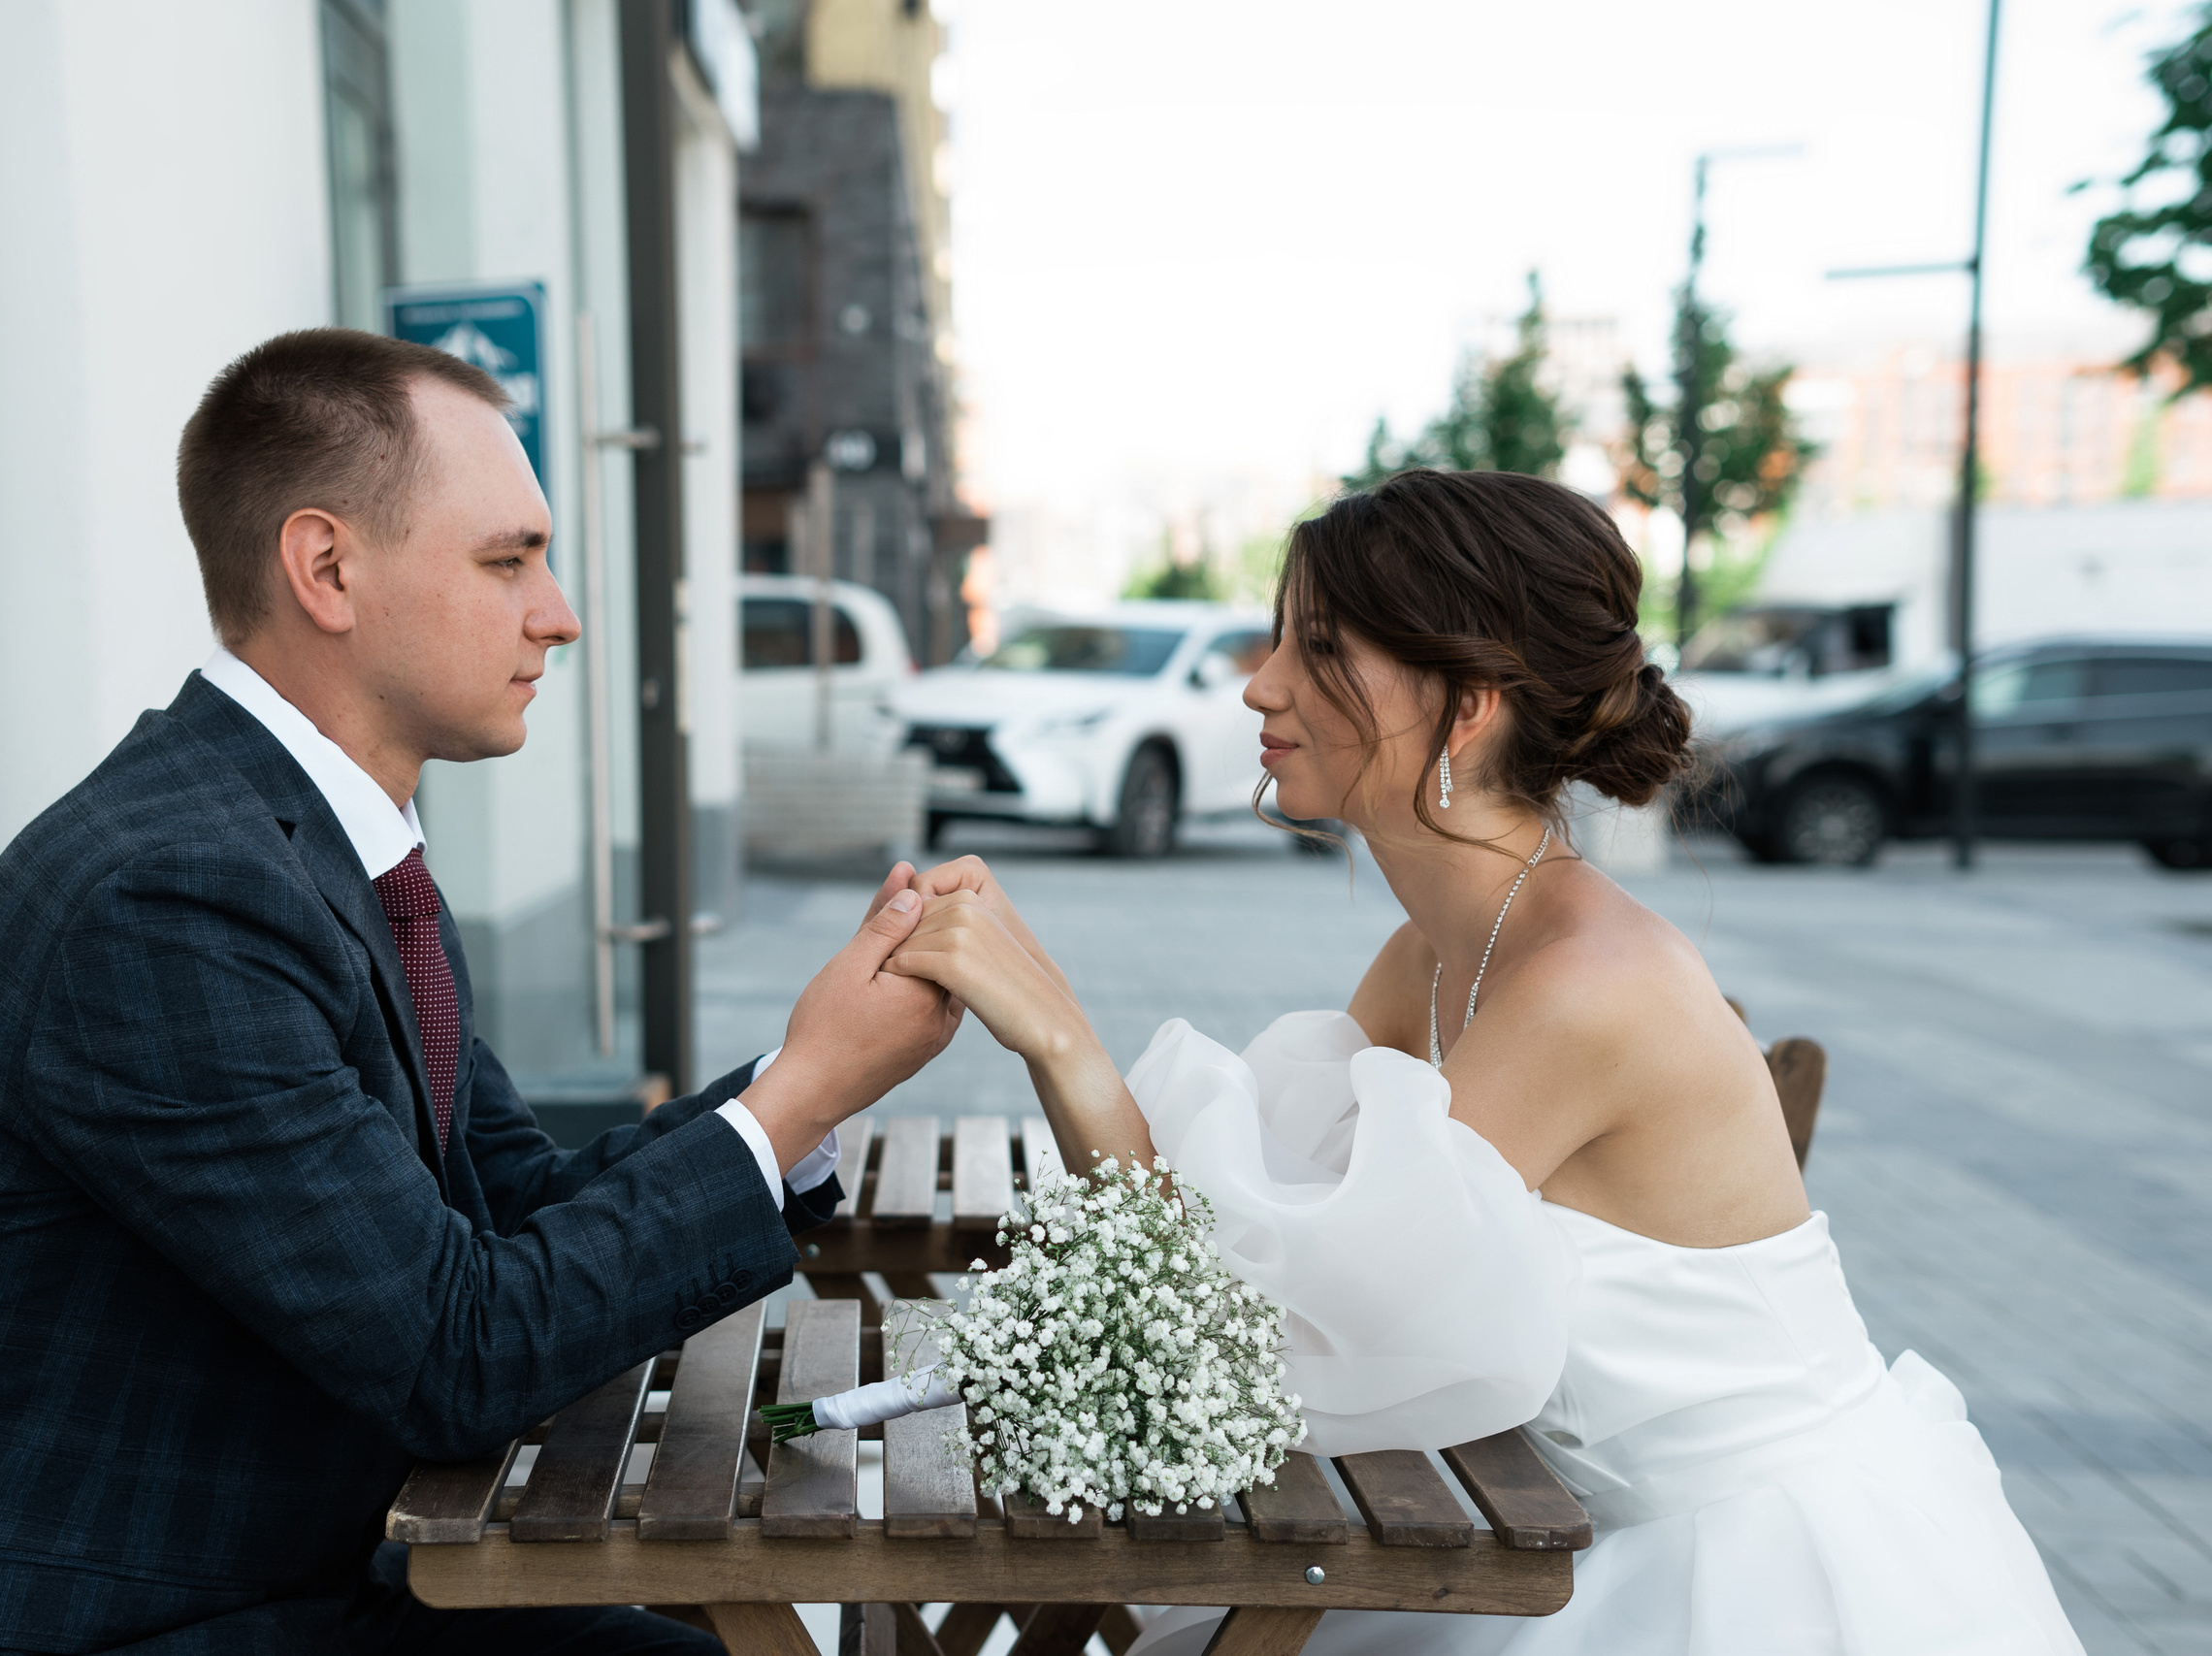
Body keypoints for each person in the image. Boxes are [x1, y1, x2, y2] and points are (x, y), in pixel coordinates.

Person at [0, 329, 959, 1655]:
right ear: (326, 567)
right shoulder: (170, 896)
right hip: (44, 1620)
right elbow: (459, 1351)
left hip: (246, 1577)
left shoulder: (320, 851)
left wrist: (803, 1089)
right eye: (508, 559)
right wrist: (803, 1090)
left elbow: (508, 1217)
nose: (560, 611)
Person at [888, 471, 2082, 1654]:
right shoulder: (1434, 954)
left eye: (1316, 647)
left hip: (1738, 1575)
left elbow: (1251, 1354)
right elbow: (1242, 1276)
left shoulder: (1582, 988)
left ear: (1465, 706)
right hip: (1554, 1529)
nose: (1260, 683)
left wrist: (1061, 1041)